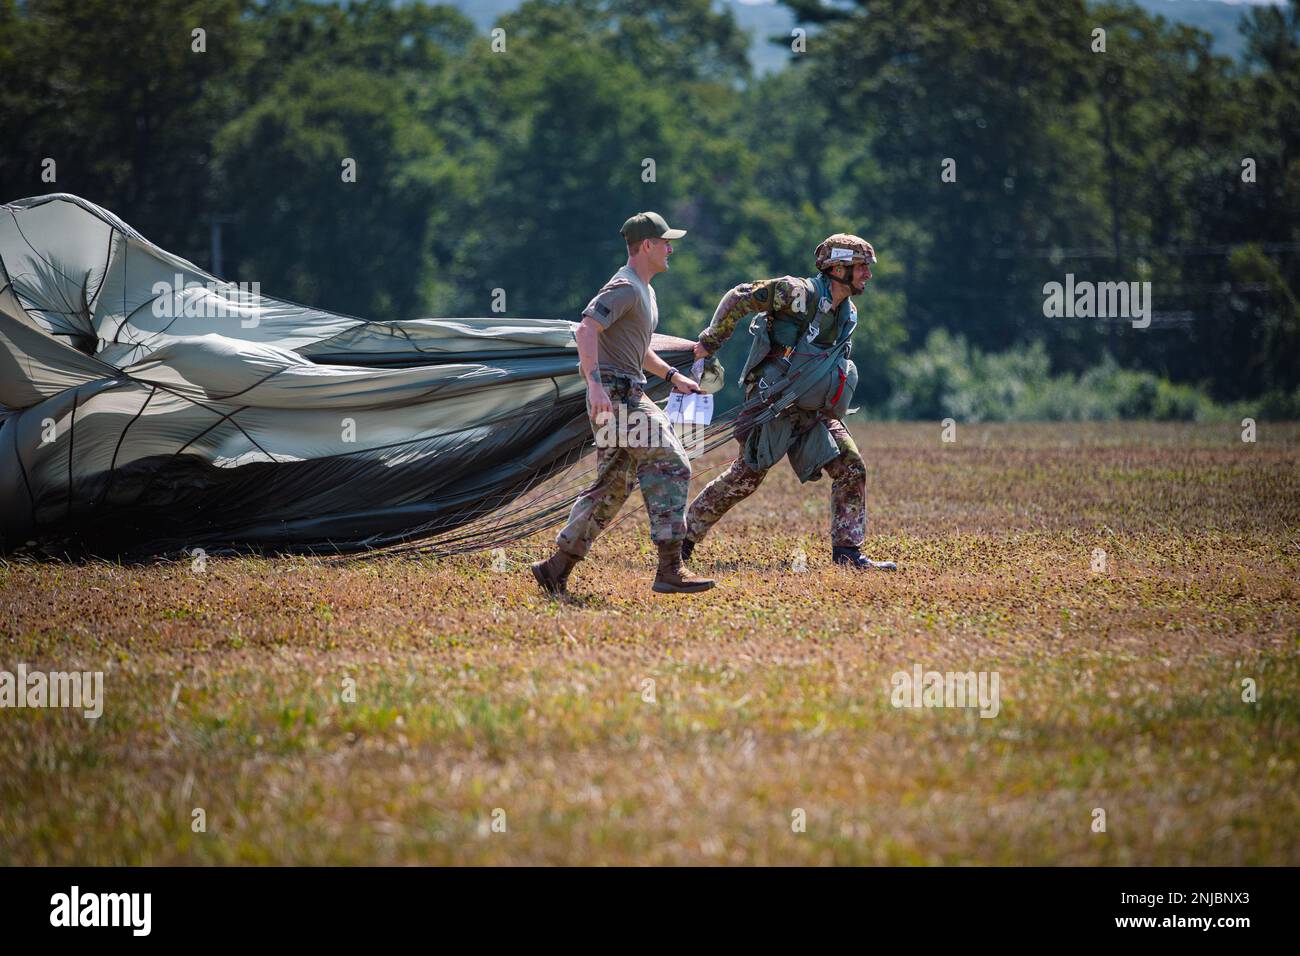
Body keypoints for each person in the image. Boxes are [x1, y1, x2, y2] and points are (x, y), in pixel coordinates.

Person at [684, 234, 897, 571]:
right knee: (745, 478)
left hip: (814, 411)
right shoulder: (796, 293)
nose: (868, 274)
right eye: (861, 267)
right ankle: (681, 540)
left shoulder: (848, 312)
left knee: (851, 467)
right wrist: (711, 342)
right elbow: (740, 296)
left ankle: (848, 554)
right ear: (838, 268)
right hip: (774, 403)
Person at [532, 212, 716, 596]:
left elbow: (639, 346)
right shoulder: (625, 286)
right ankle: (669, 569)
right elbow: (586, 328)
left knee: (612, 486)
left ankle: (555, 569)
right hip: (617, 396)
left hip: (630, 390)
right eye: (665, 242)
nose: (671, 248)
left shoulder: (644, 291)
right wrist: (595, 387)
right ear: (646, 245)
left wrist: (672, 376)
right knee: (672, 462)